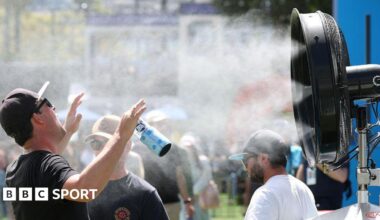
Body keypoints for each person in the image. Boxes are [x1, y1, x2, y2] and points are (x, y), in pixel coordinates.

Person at [0, 83, 146, 220]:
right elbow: (85, 189)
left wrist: (67, 132)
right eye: (48, 104)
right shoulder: (48, 167)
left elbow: (47, 173)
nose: (54, 108)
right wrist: (120, 135)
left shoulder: (15, 170)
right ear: (38, 118)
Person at [85, 114, 168, 220]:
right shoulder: (80, 190)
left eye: (110, 143)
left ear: (127, 146)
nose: (103, 150)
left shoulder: (145, 194)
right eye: (96, 143)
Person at [230, 129, 318, 220]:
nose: (245, 168)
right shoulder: (303, 189)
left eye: (245, 161)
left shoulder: (265, 194)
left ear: (263, 158)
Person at [133, 110, 194, 220]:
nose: (163, 127)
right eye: (158, 123)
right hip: (148, 203)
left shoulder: (173, 148)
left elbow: (179, 176)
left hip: (171, 203)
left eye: (164, 123)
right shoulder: (137, 148)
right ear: (149, 126)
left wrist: (187, 201)